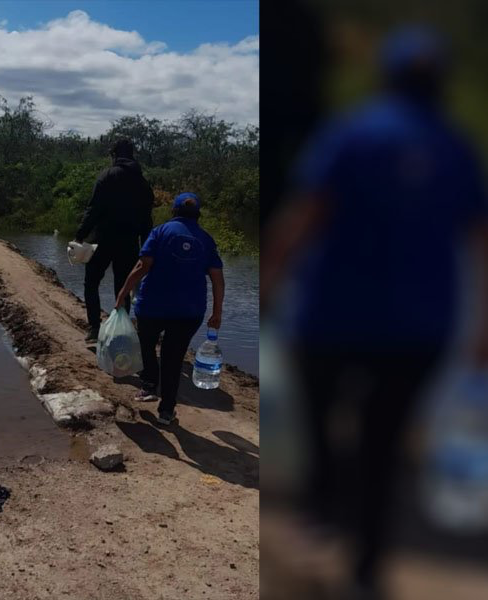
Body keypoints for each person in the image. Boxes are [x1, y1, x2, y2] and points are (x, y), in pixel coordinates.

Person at [261, 27, 488, 600]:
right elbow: (482, 242)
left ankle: (321, 514)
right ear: (439, 83)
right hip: (418, 328)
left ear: (386, 76)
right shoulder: (456, 146)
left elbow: (302, 217)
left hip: (328, 320)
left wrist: (266, 284)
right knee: (384, 443)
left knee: (320, 419)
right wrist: (484, 325)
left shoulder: (350, 134)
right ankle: (365, 569)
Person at [114, 193, 224, 425]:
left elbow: (143, 265)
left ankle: (149, 385)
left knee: (146, 345)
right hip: (189, 311)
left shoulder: (160, 232)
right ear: (198, 214)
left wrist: (123, 292)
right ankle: (166, 411)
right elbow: (217, 278)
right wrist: (217, 312)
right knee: (173, 359)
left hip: (153, 306)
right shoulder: (206, 239)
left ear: (174, 211)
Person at [76, 138, 154, 342]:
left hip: (102, 239)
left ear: (114, 155)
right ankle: (120, 330)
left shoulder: (107, 176)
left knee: (91, 282)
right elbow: (147, 221)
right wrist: (147, 248)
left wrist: (80, 233)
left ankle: (94, 327)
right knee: (124, 287)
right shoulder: (143, 183)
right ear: (132, 154)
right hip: (129, 244)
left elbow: (93, 209)